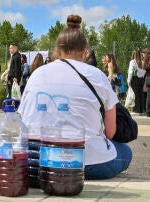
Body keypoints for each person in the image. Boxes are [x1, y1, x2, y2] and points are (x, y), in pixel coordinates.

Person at [18, 14, 132, 180]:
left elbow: (23, 118)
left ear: (57, 51)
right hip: (88, 162)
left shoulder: (37, 74)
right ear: (85, 52)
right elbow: (110, 132)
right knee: (125, 152)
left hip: (39, 161)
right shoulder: (97, 76)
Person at [127, 50, 145, 115]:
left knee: (135, 94)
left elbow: (130, 72)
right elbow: (144, 72)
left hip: (134, 78)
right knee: (140, 94)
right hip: (141, 79)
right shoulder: (142, 62)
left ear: (134, 55)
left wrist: (128, 80)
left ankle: (136, 110)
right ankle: (141, 110)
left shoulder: (132, 62)